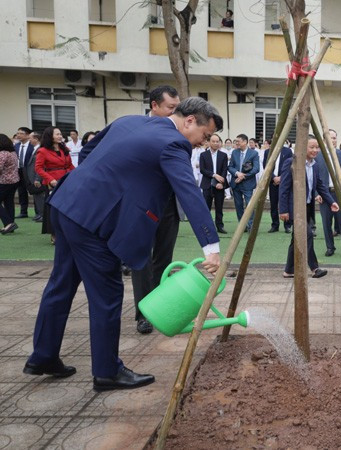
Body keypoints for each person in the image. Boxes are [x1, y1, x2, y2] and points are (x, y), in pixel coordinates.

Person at [24, 97, 223, 391]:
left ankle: (42, 357)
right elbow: (189, 194)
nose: (203, 143)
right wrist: (211, 248)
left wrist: (111, 184)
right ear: (190, 120)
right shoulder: (173, 144)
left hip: (68, 205)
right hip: (93, 222)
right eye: (205, 136)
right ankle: (107, 372)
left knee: (60, 285)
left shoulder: (130, 121)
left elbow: (90, 152)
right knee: (107, 292)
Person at [82, 85, 182, 335]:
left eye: (177, 108)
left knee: (164, 258)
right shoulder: (130, 126)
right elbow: (88, 152)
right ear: (154, 106)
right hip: (139, 207)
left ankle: (161, 307)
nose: (175, 113)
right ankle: (144, 313)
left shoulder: (177, 132)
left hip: (168, 204)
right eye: (171, 108)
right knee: (141, 259)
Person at [279, 135, 335, 279]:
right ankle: (314, 268)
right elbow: (284, 187)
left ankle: (289, 270)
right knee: (307, 235)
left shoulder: (314, 165)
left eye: (317, 147)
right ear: (302, 147)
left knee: (296, 238)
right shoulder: (291, 163)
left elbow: (320, 186)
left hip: (307, 207)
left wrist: (331, 202)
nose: (315, 150)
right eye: (312, 147)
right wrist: (283, 209)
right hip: (294, 208)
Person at [315, 128, 341, 257]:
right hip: (324, 194)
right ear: (324, 139)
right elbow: (314, 177)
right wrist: (316, 194)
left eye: (335, 138)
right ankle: (330, 247)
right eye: (331, 138)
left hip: (340, 194)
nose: (334, 140)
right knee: (326, 222)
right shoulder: (318, 156)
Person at [35, 127, 75, 244]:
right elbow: (38, 168)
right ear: (50, 136)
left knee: (67, 208)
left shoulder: (64, 149)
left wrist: (77, 174)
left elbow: (70, 165)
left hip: (66, 181)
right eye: (57, 134)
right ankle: (54, 234)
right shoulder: (42, 151)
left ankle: (67, 232)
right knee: (53, 209)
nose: (60, 136)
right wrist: (50, 179)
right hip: (52, 184)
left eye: (60, 134)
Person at [228, 133, 260, 232]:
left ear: (245, 142)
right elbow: (230, 167)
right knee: (238, 205)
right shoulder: (234, 152)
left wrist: (243, 176)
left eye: (238, 141)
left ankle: (250, 225)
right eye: (236, 141)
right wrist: (237, 173)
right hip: (236, 183)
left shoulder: (253, 153)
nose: (236, 143)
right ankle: (242, 225)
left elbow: (256, 169)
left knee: (249, 205)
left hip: (248, 184)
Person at [200, 134, 229, 233]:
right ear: (209, 142)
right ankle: (206, 227)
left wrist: (221, 182)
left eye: (218, 141)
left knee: (219, 207)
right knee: (206, 208)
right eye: (214, 141)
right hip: (207, 184)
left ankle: (220, 226)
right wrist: (214, 175)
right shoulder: (203, 155)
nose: (216, 143)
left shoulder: (223, 155)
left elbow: (225, 170)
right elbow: (202, 170)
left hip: (220, 185)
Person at [267, 142, 293, 234]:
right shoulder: (268, 152)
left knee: (286, 203)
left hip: (285, 181)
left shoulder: (288, 151)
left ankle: (287, 225)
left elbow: (291, 165)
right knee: (273, 204)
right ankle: (275, 225)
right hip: (273, 182)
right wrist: (273, 177)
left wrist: (282, 177)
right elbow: (266, 166)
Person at [24, 132, 47, 225]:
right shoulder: (35, 149)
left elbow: (40, 166)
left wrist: (38, 178)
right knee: (37, 198)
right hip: (32, 177)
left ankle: (43, 215)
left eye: (30, 138)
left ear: (36, 139)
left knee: (41, 197)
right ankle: (40, 213)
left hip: (37, 178)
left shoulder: (40, 149)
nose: (29, 140)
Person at [0, 134, 20, 235]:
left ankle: (8, 223)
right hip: (14, 181)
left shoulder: (2, 153)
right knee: (9, 203)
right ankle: (10, 225)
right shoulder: (13, 153)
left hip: (4, 181)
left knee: (7, 202)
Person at [13, 127, 33, 219]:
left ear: (28, 135)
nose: (18, 135)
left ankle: (38, 213)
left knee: (33, 190)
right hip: (18, 170)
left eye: (21, 133)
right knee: (21, 191)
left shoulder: (32, 146)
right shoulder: (16, 146)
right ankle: (23, 212)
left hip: (29, 171)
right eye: (17, 133)